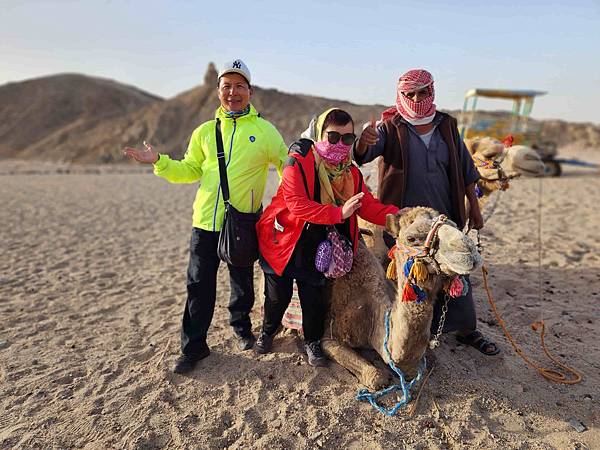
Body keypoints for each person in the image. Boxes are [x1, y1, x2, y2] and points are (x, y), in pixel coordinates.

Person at [123, 59, 289, 374]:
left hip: (243, 221)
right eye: (227, 86)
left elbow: (287, 170)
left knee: (241, 281)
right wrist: (159, 160)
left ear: (250, 91)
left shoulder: (265, 131)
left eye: (240, 86)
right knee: (198, 285)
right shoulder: (203, 132)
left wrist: (281, 208)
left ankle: (242, 329)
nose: (233, 92)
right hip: (204, 223)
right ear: (217, 91)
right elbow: (189, 170)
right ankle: (194, 348)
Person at [354, 69, 500, 356]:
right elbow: (363, 155)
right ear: (401, 95)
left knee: (454, 266)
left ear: (432, 91)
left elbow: (465, 168)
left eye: (423, 92)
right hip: (408, 220)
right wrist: (364, 140)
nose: (417, 99)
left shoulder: (446, 125)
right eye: (410, 94)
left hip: (445, 213)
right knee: (413, 271)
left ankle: (466, 329)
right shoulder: (390, 127)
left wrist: (474, 206)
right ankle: (416, 331)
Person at [254, 108, 399, 366]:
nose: (339, 145)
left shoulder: (349, 173)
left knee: (314, 299)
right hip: (285, 241)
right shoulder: (297, 163)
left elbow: (368, 206)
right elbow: (297, 204)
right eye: (332, 137)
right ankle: (267, 331)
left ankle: (312, 341)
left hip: (317, 246)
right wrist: (339, 212)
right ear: (319, 134)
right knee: (278, 296)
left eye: (346, 139)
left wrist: (402, 217)